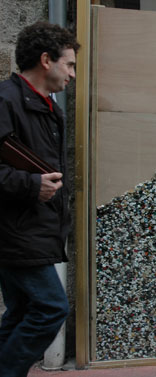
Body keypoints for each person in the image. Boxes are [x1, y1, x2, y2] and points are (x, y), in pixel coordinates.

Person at [0, 21, 80, 376]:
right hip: (16, 233)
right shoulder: (5, 101)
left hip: (33, 230)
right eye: (70, 64)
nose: (73, 75)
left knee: (19, 312)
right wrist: (33, 185)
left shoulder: (50, 109)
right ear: (46, 60)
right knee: (51, 307)